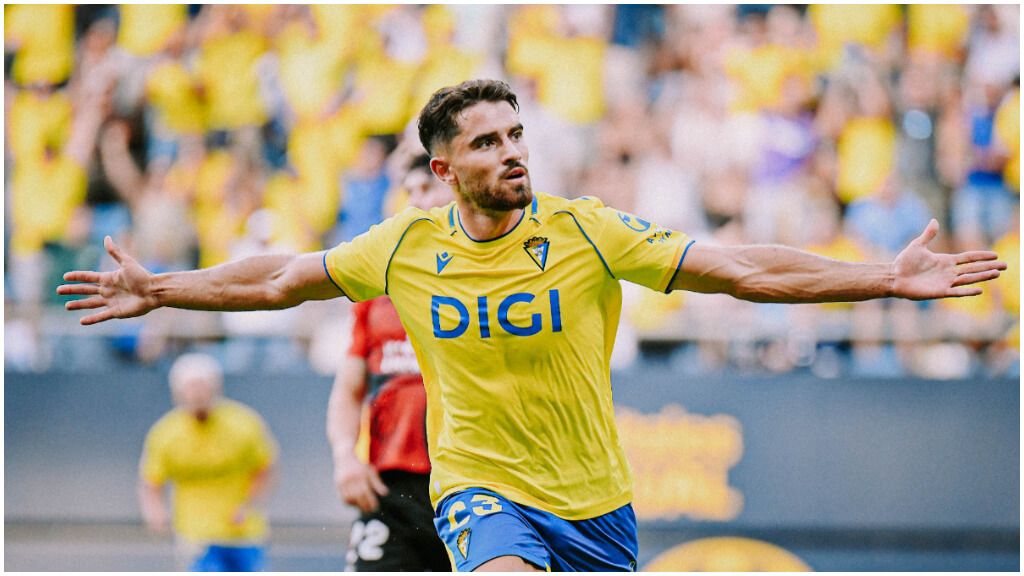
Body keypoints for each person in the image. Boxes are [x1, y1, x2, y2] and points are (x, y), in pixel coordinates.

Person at [62, 79, 1005, 572]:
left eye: (517, 135)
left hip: (594, 494)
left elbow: (742, 268)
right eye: (488, 142)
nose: (513, 153)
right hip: (477, 487)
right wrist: (165, 290)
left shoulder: (588, 230)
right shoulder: (403, 247)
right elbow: (280, 281)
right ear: (444, 170)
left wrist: (884, 274)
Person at [327, 154, 453, 571]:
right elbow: (348, 390)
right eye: (410, 191)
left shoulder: (492, 283)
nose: (417, 199)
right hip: (392, 487)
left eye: (427, 187)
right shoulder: (377, 293)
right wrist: (346, 456)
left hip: (470, 481)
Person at [138, 353, 278, 572]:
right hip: (196, 535)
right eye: (190, 387)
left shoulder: (243, 424)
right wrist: (156, 512)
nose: (196, 394)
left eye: (201, 386)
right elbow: (151, 481)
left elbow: (265, 468)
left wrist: (249, 503)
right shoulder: (165, 434)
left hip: (244, 533)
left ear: (215, 387)